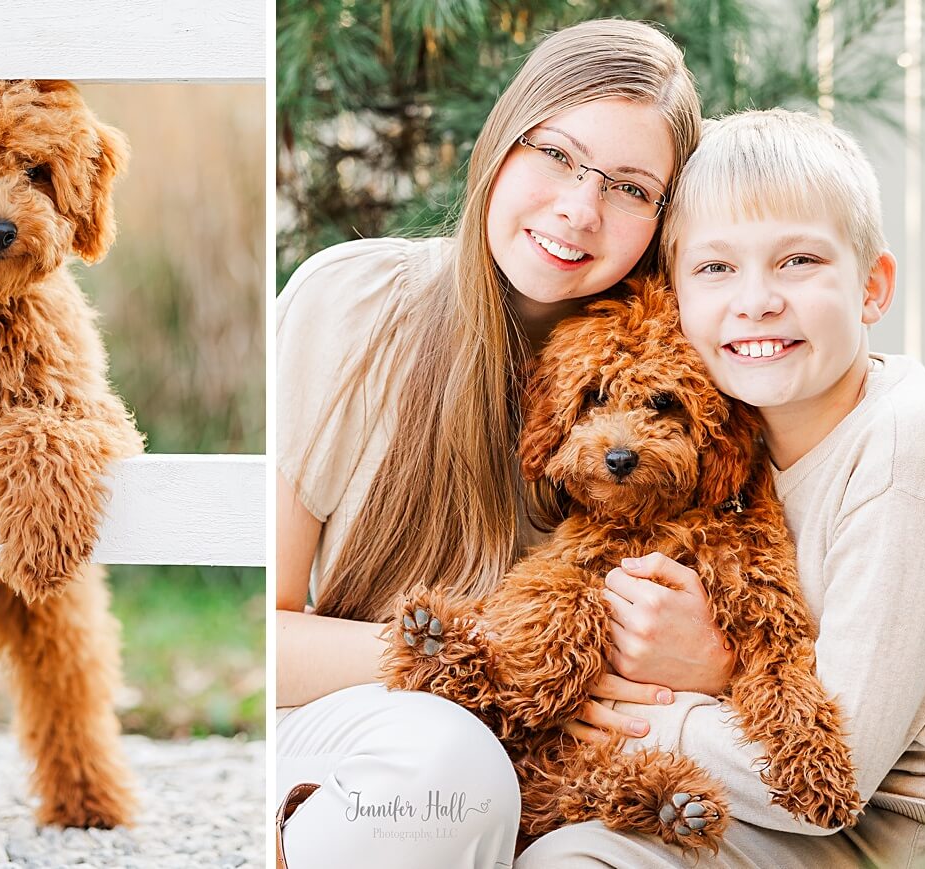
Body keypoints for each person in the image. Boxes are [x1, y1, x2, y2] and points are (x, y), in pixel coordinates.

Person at [276, 19, 713, 868]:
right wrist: (502, 658)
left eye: (629, 188)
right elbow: (270, 633)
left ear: (663, 218)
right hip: (345, 724)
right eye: (555, 153)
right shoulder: (353, 304)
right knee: (450, 765)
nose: (578, 208)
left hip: (548, 761)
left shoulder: (666, 376)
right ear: (500, 143)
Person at [516, 109, 925, 866]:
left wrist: (639, 707)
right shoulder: (727, 443)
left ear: (872, 287)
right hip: (751, 803)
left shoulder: (909, 449)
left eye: (798, 261)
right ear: (675, 297)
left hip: (908, 830)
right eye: (716, 268)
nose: (757, 298)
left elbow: (838, 781)